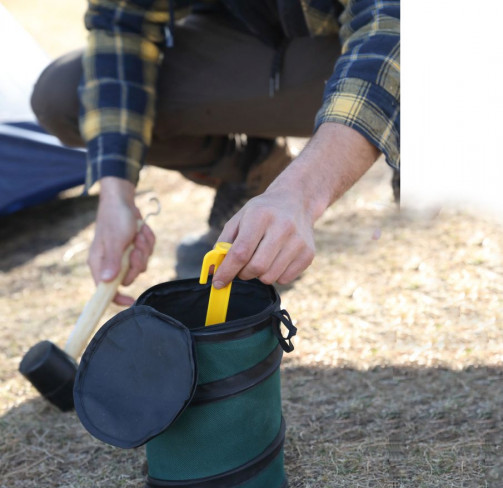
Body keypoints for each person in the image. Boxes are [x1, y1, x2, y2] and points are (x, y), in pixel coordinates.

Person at [31, 0, 400, 305]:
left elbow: (394, 30)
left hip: (360, 47)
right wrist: (116, 196)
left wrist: (300, 195)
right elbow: (121, 23)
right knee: (67, 94)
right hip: (245, 44)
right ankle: (257, 173)